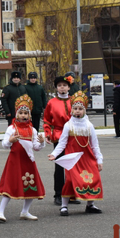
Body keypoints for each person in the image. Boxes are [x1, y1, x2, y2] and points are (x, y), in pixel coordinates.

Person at [48, 91, 104, 216]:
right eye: (75, 109)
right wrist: (54, 154)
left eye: (80, 109)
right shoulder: (68, 125)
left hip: (87, 158)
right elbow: (62, 143)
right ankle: (64, 206)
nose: (77, 111)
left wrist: (99, 159)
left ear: (84, 111)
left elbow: (95, 145)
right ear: (71, 110)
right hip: (72, 159)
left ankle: (90, 205)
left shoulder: (89, 126)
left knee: (93, 178)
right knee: (70, 181)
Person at [0, 95, 46, 223]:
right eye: (21, 113)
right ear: (16, 115)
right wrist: (10, 141)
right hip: (14, 162)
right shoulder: (11, 128)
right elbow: (4, 144)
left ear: (29, 115)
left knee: (30, 185)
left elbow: (36, 147)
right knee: (10, 185)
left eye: (26, 113)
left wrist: (42, 142)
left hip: (28, 162)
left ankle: (25, 211)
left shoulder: (32, 130)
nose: (23, 115)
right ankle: (0, 211)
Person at [43, 75, 76, 207]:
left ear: (69, 87)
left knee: (73, 165)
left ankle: (72, 194)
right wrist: (47, 133)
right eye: (59, 85)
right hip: (59, 135)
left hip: (74, 136)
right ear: (56, 88)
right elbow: (46, 120)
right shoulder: (51, 102)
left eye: (64, 85)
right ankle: (58, 194)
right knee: (60, 166)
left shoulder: (74, 101)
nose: (62, 87)